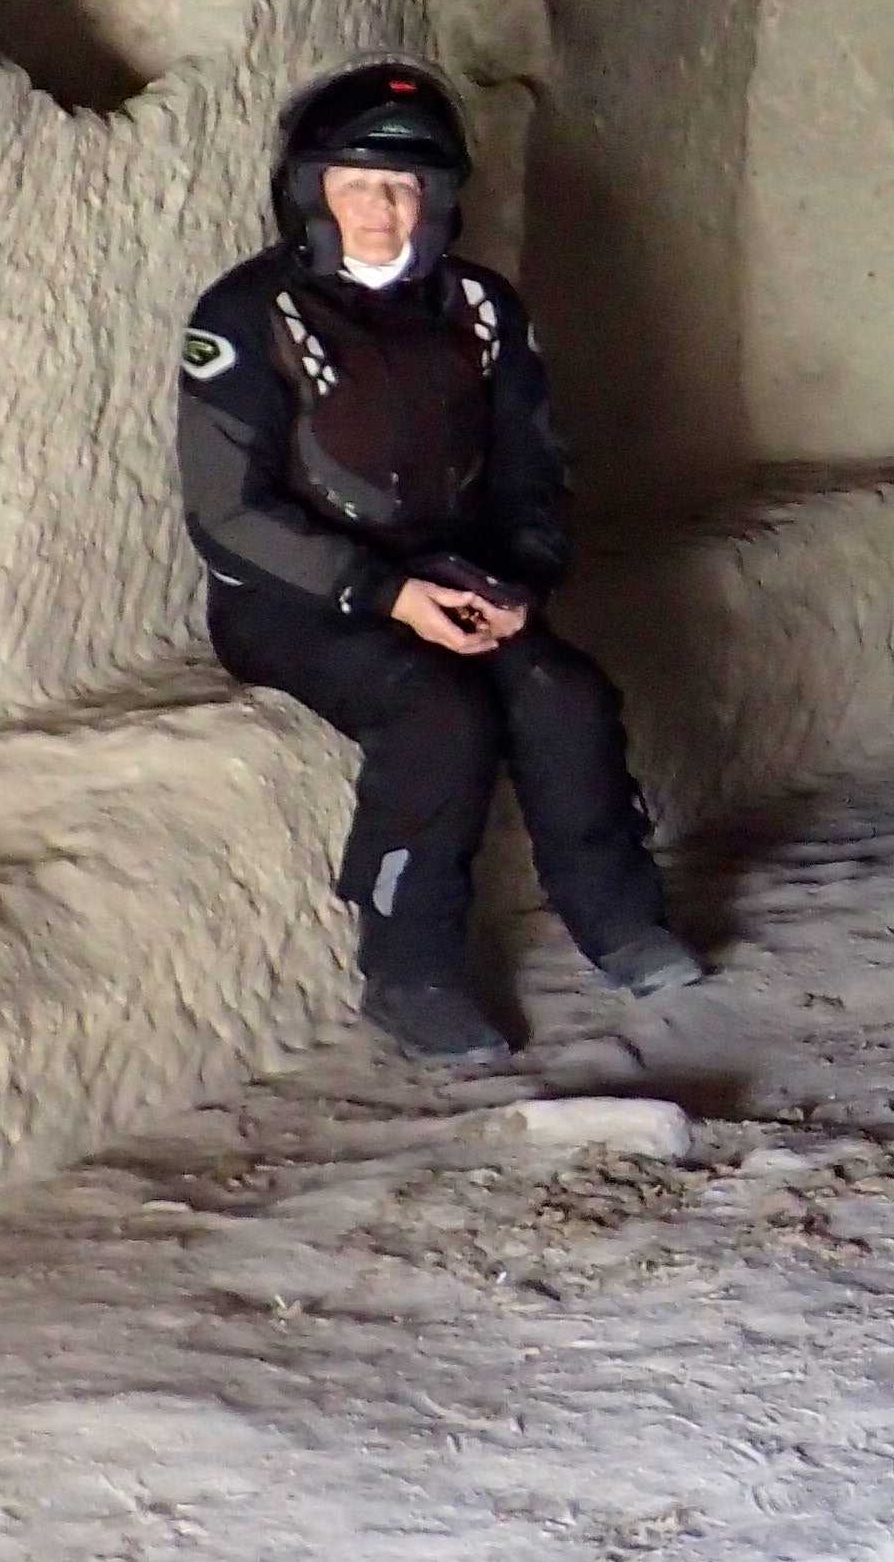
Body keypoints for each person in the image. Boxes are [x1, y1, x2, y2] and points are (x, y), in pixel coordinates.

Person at [178, 60, 705, 1058]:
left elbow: (532, 471)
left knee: (560, 692)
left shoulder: (480, 308)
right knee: (437, 713)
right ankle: (409, 967)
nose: (380, 212)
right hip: (296, 597)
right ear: (310, 192)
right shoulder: (247, 315)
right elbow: (228, 515)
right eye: (356, 185)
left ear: (438, 199)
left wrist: (522, 579)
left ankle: (618, 917)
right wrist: (382, 592)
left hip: (450, 575)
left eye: (403, 188)